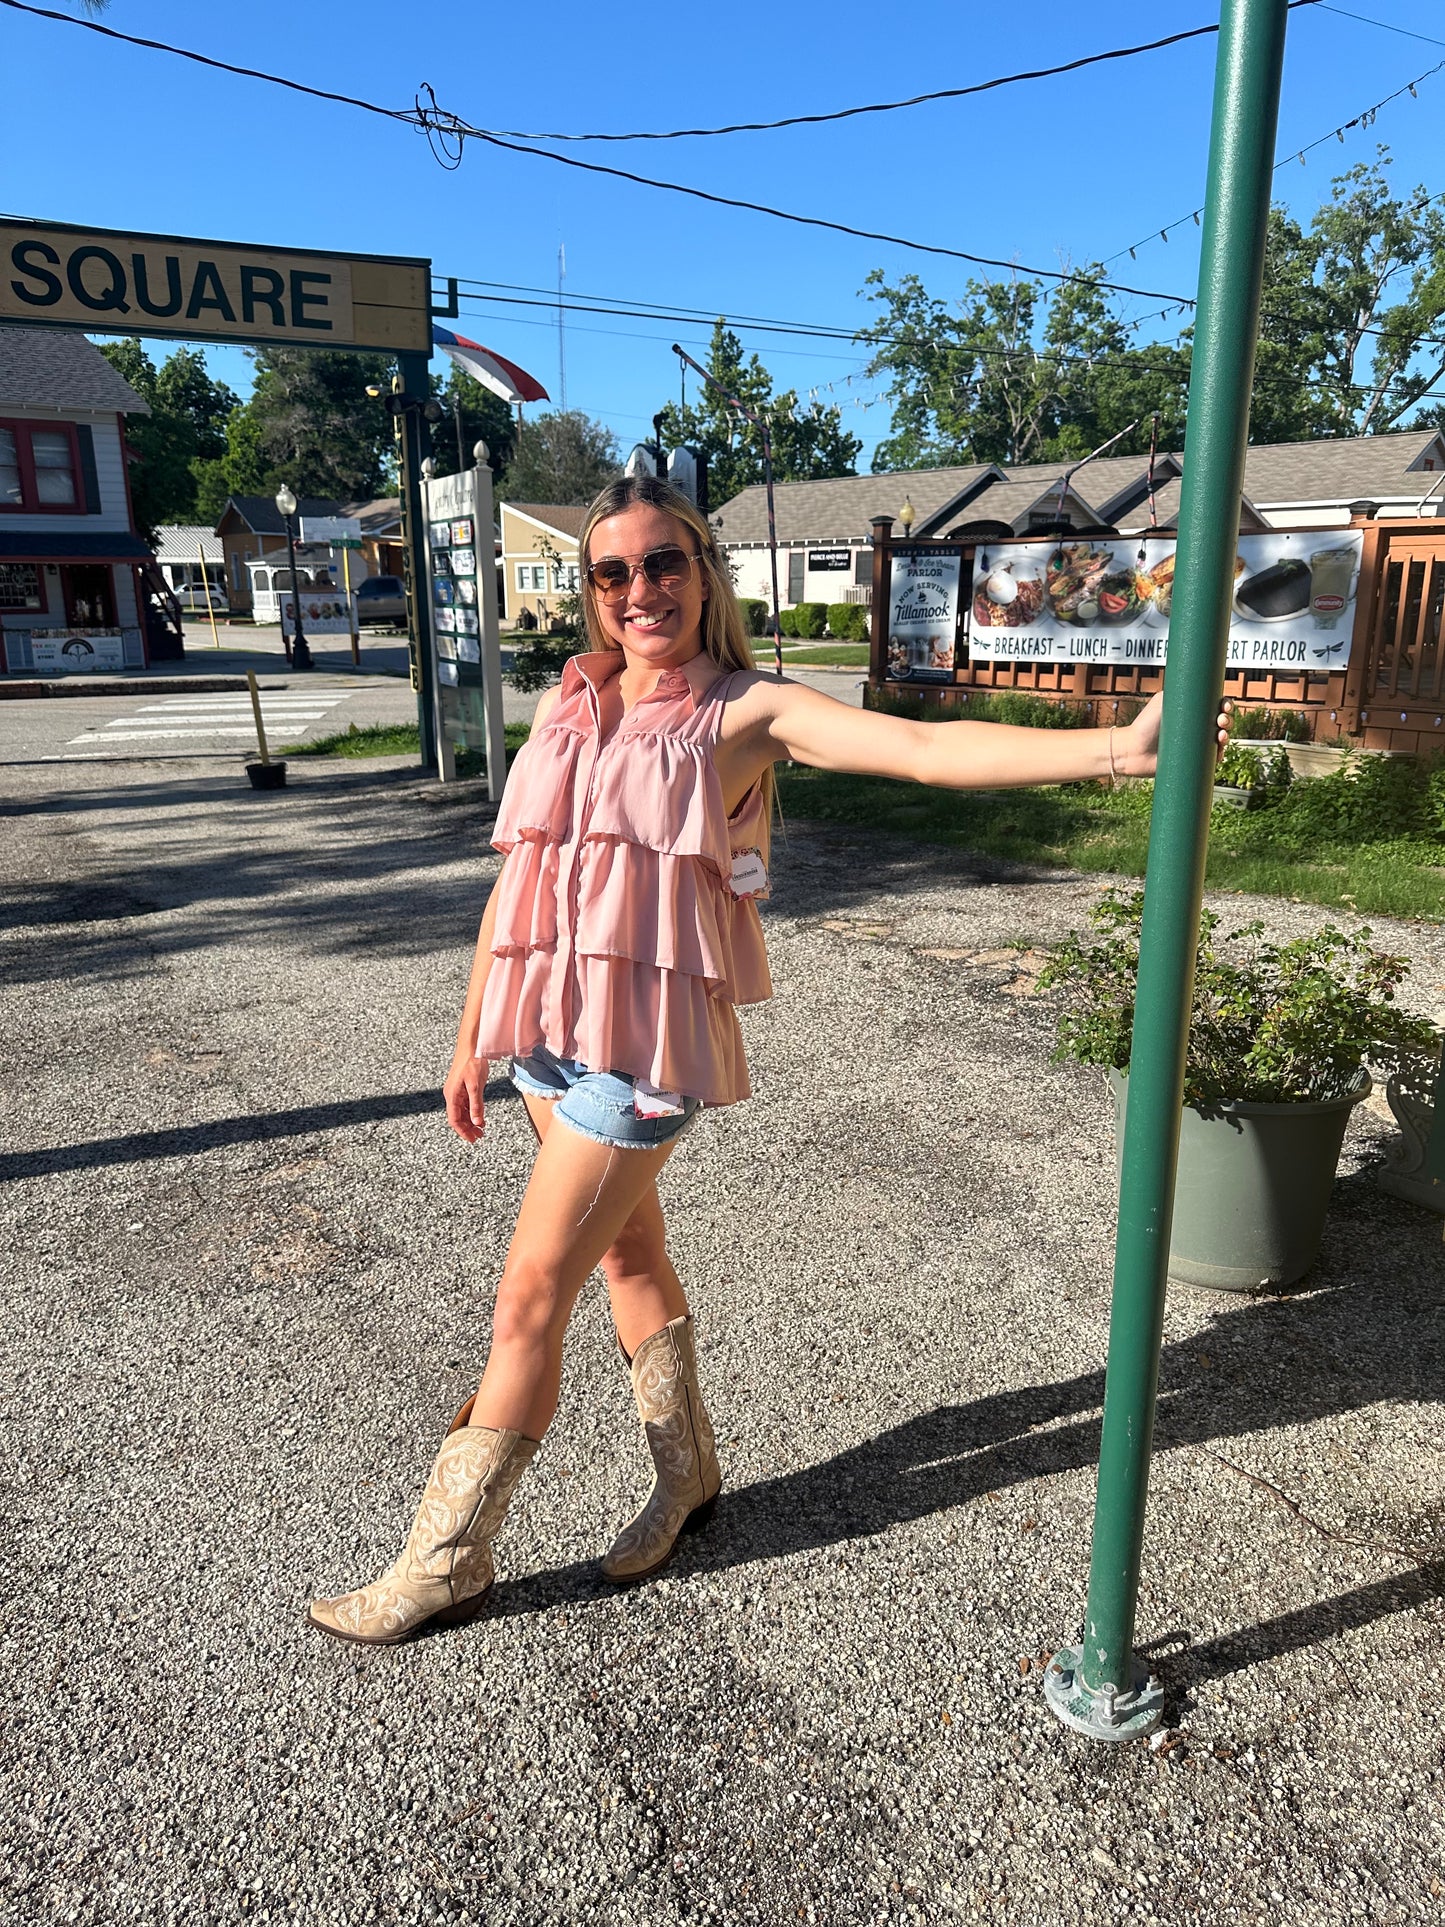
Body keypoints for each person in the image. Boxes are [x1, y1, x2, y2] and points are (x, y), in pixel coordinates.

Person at [306, 475, 1229, 1646]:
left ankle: (446, 1559)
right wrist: (470, 1031)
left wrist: (1115, 755)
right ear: (590, 594)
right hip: (542, 1035)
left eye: (661, 563)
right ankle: (689, 1478)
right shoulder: (571, 696)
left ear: (700, 569)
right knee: (626, 1251)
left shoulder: (743, 709)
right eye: (611, 572)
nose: (638, 590)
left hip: (636, 1057)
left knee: (528, 1292)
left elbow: (916, 748)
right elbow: (518, 875)